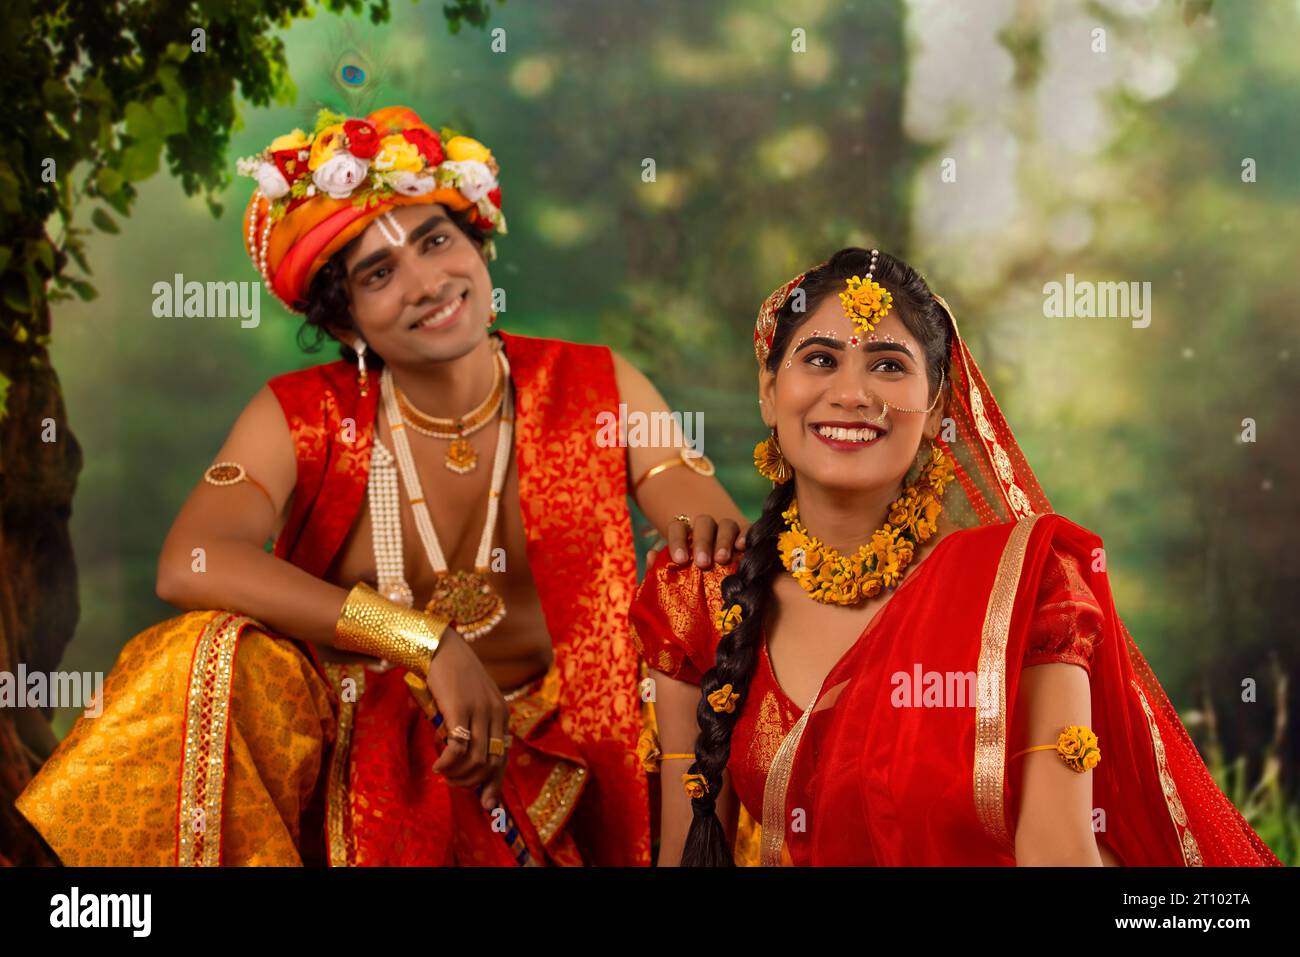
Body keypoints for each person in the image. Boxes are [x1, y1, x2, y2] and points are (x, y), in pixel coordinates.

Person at [16, 105, 747, 866]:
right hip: (369, 770)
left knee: (707, 586)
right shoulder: (302, 413)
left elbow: (708, 532)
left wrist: (699, 528)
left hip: (588, 758)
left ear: (479, 244)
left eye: (436, 241)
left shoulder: (596, 385)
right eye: (379, 273)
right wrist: (423, 641)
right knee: (209, 648)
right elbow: (191, 560)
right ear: (348, 324)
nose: (427, 283)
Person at [631, 246, 1282, 866]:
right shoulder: (701, 594)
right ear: (770, 391)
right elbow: (685, 853)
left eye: (889, 365)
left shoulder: (1022, 592)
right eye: (821, 359)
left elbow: (1057, 852)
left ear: (937, 404)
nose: (853, 392)